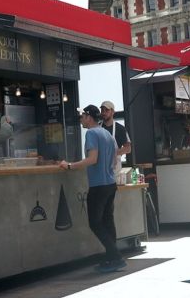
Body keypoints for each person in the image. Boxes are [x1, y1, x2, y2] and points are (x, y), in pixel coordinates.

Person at [60, 104, 125, 273]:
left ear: (89, 117)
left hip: (99, 185)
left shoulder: (91, 133)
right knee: (107, 221)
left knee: (95, 223)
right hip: (111, 184)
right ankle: (112, 259)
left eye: (82, 116)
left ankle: (116, 257)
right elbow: (115, 156)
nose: (81, 119)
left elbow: (92, 159)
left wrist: (69, 166)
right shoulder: (107, 134)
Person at [100, 101, 132, 165]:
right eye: (102, 110)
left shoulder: (121, 129)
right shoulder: (97, 129)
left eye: (107, 110)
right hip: (100, 165)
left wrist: (113, 153)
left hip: (115, 167)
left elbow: (128, 148)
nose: (104, 113)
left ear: (113, 112)